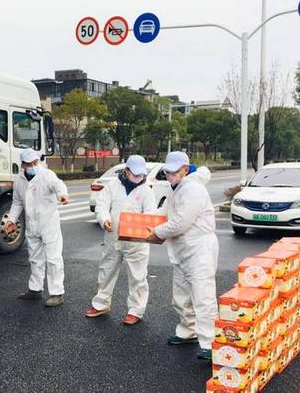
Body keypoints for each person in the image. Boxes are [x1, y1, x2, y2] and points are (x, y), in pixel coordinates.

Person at [146, 151, 218, 361]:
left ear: (185, 169)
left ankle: (210, 342)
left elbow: (181, 222)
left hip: (199, 250)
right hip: (181, 250)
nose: (170, 176)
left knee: (202, 297)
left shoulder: (193, 189)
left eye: (174, 172)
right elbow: (165, 214)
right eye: (167, 172)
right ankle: (188, 331)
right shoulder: (174, 188)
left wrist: (156, 233)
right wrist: (145, 223)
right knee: (181, 295)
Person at [85, 155, 156, 325]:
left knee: (137, 276)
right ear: (126, 171)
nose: (138, 178)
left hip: (136, 241)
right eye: (135, 174)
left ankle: (136, 311)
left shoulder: (146, 190)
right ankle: (101, 304)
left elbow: (150, 214)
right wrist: (104, 219)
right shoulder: (113, 186)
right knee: (106, 270)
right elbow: (101, 205)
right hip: (113, 236)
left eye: (141, 175)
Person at [6, 148, 69, 307]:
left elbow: (59, 185)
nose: (34, 166)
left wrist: (63, 195)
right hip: (32, 225)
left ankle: (57, 293)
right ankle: (35, 290)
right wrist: (11, 220)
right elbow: (17, 202)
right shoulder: (19, 180)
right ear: (23, 166)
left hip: (49, 224)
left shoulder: (47, 175)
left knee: (53, 259)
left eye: (35, 162)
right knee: (34, 259)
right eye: (30, 164)